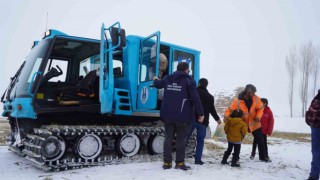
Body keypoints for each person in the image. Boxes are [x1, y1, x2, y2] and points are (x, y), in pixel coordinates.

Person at [153, 62, 204, 171]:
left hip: (168, 115)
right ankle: (180, 163)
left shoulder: (168, 78)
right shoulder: (189, 81)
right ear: (186, 70)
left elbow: (157, 85)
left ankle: (167, 163)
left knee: (168, 139)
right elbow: (195, 99)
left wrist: (155, 79)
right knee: (181, 140)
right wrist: (200, 114)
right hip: (183, 116)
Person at [224, 84, 269, 162]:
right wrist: (226, 117)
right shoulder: (237, 100)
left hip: (254, 123)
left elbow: (260, 109)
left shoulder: (257, 99)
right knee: (237, 141)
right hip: (242, 124)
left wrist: (258, 116)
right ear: (248, 92)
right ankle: (235, 158)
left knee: (260, 139)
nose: (254, 94)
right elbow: (229, 110)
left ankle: (263, 157)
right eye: (253, 93)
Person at [188, 78, 222, 165]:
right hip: (203, 122)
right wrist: (217, 119)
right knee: (200, 141)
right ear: (206, 85)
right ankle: (198, 160)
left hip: (191, 119)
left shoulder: (193, 92)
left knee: (184, 138)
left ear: (199, 84)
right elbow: (212, 110)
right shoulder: (210, 97)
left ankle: (179, 157)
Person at [306, 90, 320, 180]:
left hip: (316, 128)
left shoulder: (317, 99)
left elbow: (312, 113)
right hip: (316, 128)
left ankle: (314, 176)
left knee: (316, 153)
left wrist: (310, 122)